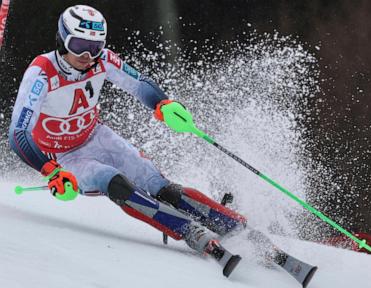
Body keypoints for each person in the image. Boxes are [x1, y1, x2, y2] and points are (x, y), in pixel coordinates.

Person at [8, 4, 246, 276]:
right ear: (62, 40)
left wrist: (162, 104)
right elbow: (18, 134)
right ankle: (189, 231)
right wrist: (51, 171)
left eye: (95, 47)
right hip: (65, 158)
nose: (88, 55)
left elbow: (139, 83)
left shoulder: (103, 60)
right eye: (80, 45)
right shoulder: (41, 72)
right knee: (115, 183)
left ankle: (235, 225)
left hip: (96, 136)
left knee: (159, 185)